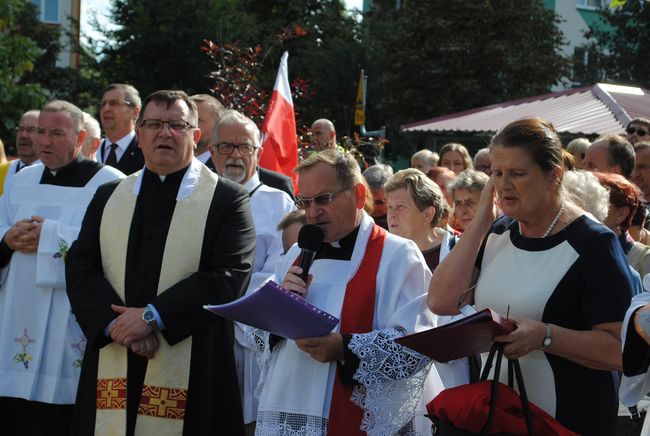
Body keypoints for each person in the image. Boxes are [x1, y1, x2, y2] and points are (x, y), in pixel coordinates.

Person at [65, 90, 256, 436]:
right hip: (116, 354)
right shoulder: (110, 195)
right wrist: (116, 326)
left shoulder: (227, 199)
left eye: (176, 125)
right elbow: (80, 265)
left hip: (194, 360)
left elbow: (229, 275)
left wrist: (152, 317)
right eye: (153, 124)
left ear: (195, 136)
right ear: (139, 133)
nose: (164, 134)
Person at [429, 117, 634, 435]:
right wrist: (482, 217)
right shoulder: (498, 231)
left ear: (554, 175)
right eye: (496, 173)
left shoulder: (594, 244)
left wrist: (546, 336)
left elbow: (620, 351)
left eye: (517, 174)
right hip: (501, 418)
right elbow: (441, 301)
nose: (503, 185)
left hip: (569, 420)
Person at [243, 149, 437, 435]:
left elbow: (418, 343)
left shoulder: (396, 255)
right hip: (292, 406)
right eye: (305, 202)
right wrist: (279, 310)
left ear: (358, 195)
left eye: (324, 199)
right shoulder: (296, 253)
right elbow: (257, 335)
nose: (312, 212)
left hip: (352, 413)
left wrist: (345, 349)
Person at [0, 100, 124, 436]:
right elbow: (1, 226)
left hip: (70, 314)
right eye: (40, 131)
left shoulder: (109, 183)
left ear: (81, 136)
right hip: (18, 308)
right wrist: (8, 239)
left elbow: (115, 247)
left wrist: (51, 236)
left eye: (57, 133)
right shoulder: (21, 179)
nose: (44, 141)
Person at [208, 109, 294, 431]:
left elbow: (279, 272)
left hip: (248, 333)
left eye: (245, 147)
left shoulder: (279, 204)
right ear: (212, 151)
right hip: (198, 329)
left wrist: (226, 293)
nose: (235, 155)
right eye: (226, 146)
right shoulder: (196, 197)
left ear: (258, 152)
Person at [594, 172, 650, 278]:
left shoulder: (645, 260)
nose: (588, 210)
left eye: (599, 204)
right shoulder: (579, 248)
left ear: (621, 214)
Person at [98, 83, 145, 175]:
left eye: (114, 103)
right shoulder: (92, 149)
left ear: (135, 112)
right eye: (103, 104)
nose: (106, 108)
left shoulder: (147, 152)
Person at [5, 110, 41, 194]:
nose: (23, 135)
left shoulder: (55, 175)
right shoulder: (3, 170)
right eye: (20, 129)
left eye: (31, 130)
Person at [189, 93, 225, 169]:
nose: (190, 124)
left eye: (198, 119)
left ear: (218, 126)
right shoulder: (167, 163)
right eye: (186, 119)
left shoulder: (223, 170)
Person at [362, 163, 393, 229]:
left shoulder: (399, 224)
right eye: (367, 200)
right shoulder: (352, 221)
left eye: (379, 202)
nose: (372, 206)